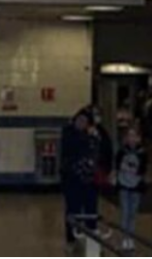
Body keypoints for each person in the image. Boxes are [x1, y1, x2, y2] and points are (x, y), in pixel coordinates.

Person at [61, 107, 101, 252]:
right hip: (72, 179)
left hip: (89, 180)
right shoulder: (69, 134)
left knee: (91, 211)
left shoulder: (94, 137)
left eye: (84, 121)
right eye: (79, 120)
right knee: (73, 211)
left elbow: (102, 151)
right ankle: (72, 240)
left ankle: (92, 241)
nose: (81, 124)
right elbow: (72, 148)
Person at [115, 127, 148, 252]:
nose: (132, 139)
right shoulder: (121, 152)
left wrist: (131, 169)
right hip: (124, 185)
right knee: (125, 212)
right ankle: (125, 237)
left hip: (136, 186)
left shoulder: (142, 153)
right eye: (129, 136)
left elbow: (142, 170)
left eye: (134, 136)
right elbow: (119, 165)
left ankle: (131, 237)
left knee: (133, 213)